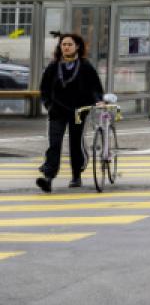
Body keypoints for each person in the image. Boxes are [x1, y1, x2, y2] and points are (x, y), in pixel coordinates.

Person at [36, 33, 103, 192]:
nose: (66, 47)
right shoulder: (53, 66)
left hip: (79, 111)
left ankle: (76, 175)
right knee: (55, 143)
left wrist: (98, 99)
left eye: (69, 44)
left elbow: (95, 87)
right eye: (63, 44)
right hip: (57, 110)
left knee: (75, 143)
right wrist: (48, 104)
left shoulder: (85, 66)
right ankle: (48, 178)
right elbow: (44, 88)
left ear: (77, 46)